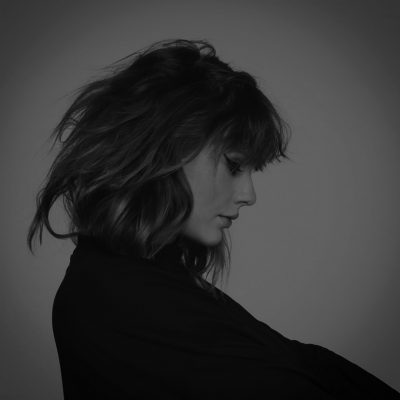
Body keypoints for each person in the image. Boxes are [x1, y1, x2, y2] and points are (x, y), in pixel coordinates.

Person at [27, 38, 400, 399]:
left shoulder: (152, 284)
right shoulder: (120, 303)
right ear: (166, 148)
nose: (248, 195)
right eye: (234, 165)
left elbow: (300, 366)